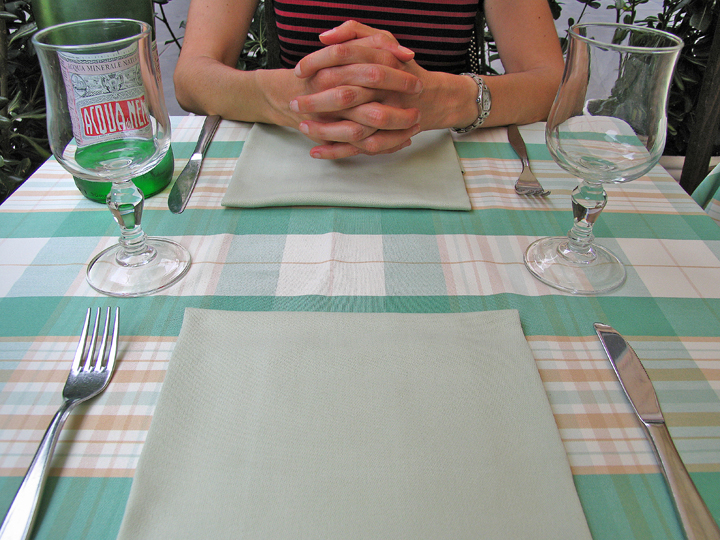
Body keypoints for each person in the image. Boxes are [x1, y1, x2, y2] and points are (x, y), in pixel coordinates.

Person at [174, 0, 564, 160]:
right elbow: (192, 78)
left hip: (443, 157)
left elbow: (555, 86)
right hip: (297, 156)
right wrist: (284, 98)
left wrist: (446, 99)